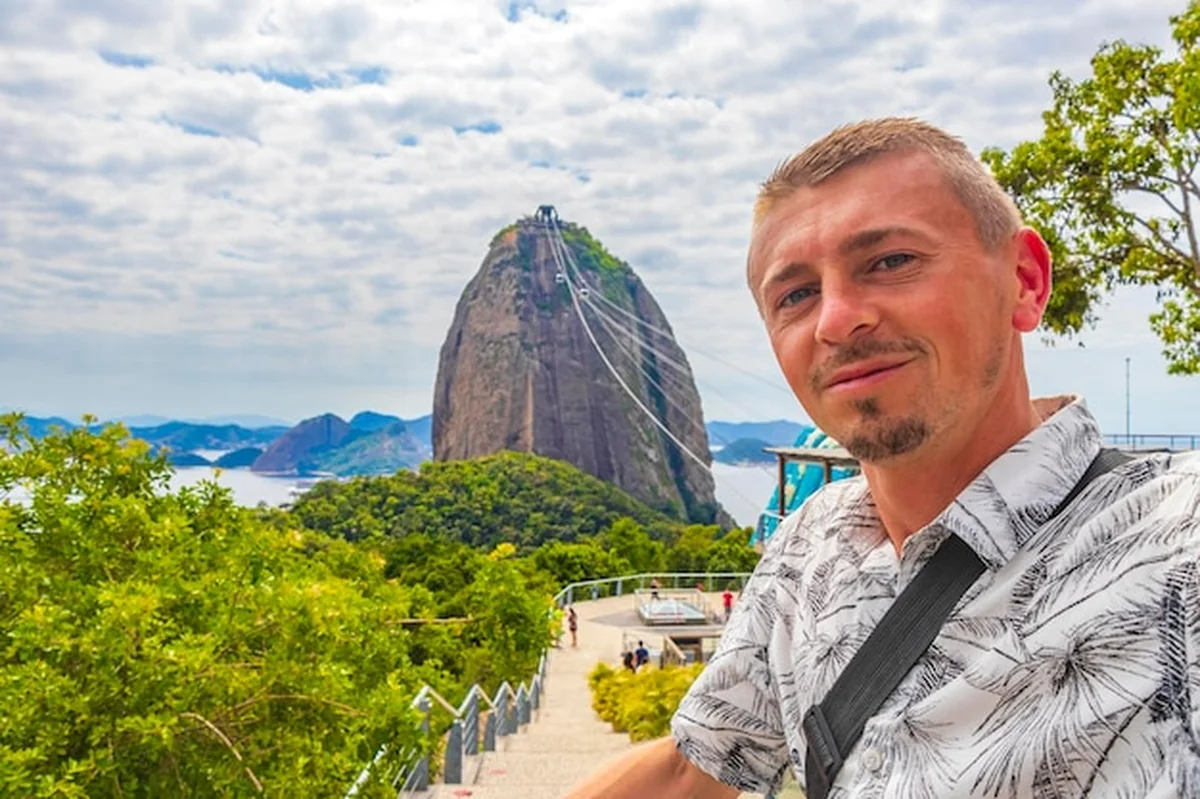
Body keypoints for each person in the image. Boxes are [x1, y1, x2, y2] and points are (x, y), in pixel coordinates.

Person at [561, 117, 1200, 798]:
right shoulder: (810, 542)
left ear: (1025, 280)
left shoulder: (1172, 546)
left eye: (891, 261)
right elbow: (698, 766)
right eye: (796, 294)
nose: (837, 319)